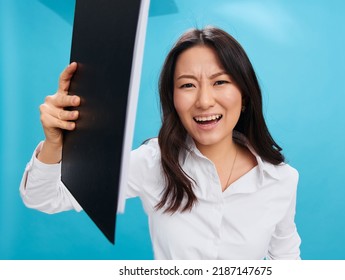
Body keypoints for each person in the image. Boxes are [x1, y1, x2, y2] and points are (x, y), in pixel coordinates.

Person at [20, 26, 301, 259]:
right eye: (187, 85)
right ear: (172, 98)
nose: (204, 101)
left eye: (220, 82)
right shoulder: (153, 161)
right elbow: (43, 197)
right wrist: (55, 143)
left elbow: (287, 260)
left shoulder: (281, 180)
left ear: (245, 95)